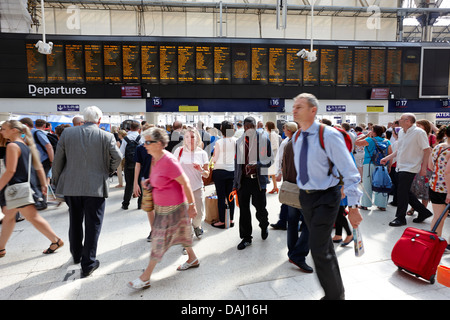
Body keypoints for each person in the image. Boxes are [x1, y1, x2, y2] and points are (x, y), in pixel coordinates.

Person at [292, 93, 362, 300]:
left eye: (300, 107)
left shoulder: (328, 135)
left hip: (326, 197)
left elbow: (350, 172)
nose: (294, 110)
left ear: (313, 110)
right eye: (294, 106)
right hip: (306, 197)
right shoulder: (297, 137)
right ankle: (336, 292)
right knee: (324, 247)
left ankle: (334, 297)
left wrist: (354, 206)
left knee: (318, 248)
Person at [52, 106, 122, 277]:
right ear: (99, 120)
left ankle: (76, 254)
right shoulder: (106, 136)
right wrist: (108, 170)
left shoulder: (68, 134)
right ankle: (88, 263)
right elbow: (118, 157)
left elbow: (58, 160)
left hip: (71, 186)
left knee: (74, 220)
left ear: (83, 119)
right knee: (93, 224)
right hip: (96, 187)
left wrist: (56, 181)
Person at [128, 127, 199, 290]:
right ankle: (193, 259)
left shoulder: (169, 160)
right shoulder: (154, 157)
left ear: (159, 143)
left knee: (158, 242)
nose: (144, 145)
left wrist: (192, 205)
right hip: (162, 206)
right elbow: (160, 178)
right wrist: (149, 183)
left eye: (148, 142)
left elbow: (186, 183)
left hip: (173, 208)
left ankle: (145, 277)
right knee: (183, 235)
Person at [0, 120, 63, 258]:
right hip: (23, 189)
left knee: (27, 217)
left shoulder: (12, 146)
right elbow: (38, 167)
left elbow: (10, 171)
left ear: (14, 130)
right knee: (13, 217)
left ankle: (56, 240)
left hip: (17, 189)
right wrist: (43, 184)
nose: (1, 131)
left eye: (4, 128)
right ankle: (1, 248)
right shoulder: (25, 146)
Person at [380, 113, 433, 227]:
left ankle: (400, 218)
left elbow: (427, 150)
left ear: (408, 121)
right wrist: (388, 158)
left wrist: (423, 168)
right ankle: (424, 212)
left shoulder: (419, 132)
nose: (399, 121)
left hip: (411, 166)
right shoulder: (401, 132)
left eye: (401, 119)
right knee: (404, 191)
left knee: (402, 192)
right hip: (401, 166)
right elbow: (399, 150)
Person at [277, 122, 313, 273]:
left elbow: (284, 166)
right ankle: (298, 255)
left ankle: (292, 252)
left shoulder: (289, 144)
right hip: (305, 191)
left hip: (290, 189)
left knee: (292, 222)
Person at [233, 116, 273, 250]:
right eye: (247, 127)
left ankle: (264, 224)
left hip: (258, 181)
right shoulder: (239, 142)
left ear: (256, 126)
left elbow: (270, 161)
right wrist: (235, 183)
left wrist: (258, 165)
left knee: (260, 208)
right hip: (243, 181)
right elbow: (236, 165)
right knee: (244, 210)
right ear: (243, 127)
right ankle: (246, 238)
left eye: (252, 127)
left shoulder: (263, 140)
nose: (249, 129)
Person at [174, 127, 209, 239]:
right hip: (182, 189)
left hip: (197, 187)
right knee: (185, 216)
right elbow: (173, 168)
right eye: (187, 137)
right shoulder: (179, 151)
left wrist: (201, 170)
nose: (190, 139)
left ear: (197, 138)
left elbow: (207, 174)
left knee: (199, 214)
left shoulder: (202, 153)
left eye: (192, 137)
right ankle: (187, 241)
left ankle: (196, 226)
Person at [354, 124, 392, 211]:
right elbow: (390, 154)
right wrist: (389, 166)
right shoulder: (387, 141)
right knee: (381, 183)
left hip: (369, 163)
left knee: (367, 183)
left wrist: (367, 135)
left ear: (373, 132)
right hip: (382, 165)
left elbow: (356, 142)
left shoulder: (369, 140)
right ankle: (382, 205)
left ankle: (365, 204)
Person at [211, 121, 236, 229]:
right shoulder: (236, 141)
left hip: (220, 171)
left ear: (222, 130)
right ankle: (231, 219)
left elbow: (215, 158)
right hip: (232, 171)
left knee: (221, 196)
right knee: (231, 196)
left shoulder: (219, 142)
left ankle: (222, 221)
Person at [407, 119, 433, 216]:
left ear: (425, 126)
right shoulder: (414, 135)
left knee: (425, 189)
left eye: (420, 125)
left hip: (427, 166)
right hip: (415, 165)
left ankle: (423, 210)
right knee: (414, 188)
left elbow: (432, 150)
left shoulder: (431, 137)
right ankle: (414, 208)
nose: (417, 126)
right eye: (417, 124)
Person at [428, 125, 450, 237]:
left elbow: (430, 165)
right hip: (446, 189)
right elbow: (448, 172)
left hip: (434, 185)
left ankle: (433, 243)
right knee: (441, 217)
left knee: (437, 217)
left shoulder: (438, 147)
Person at [133, 123, 154, 241]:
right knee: (150, 208)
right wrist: (135, 183)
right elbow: (137, 166)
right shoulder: (140, 148)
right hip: (146, 181)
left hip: (160, 181)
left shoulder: (160, 146)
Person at [120, 120, 143, 210]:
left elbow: (121, 153)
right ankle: (140, 204)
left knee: (129, 185)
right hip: (139, 165)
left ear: (130, 128)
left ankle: (125, 204)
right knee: (140, 185)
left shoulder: (126, 139)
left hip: (128, 165)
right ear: (139, 129)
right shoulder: (141, 138)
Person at [266, 121, 280, 194]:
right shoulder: (273, 133)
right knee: (272, 173)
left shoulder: (272, 134)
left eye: (266, 126)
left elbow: (274, 145)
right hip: (273, 155)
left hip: (272, 156)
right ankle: (275, 187)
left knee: (269, 172)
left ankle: (271, 187)